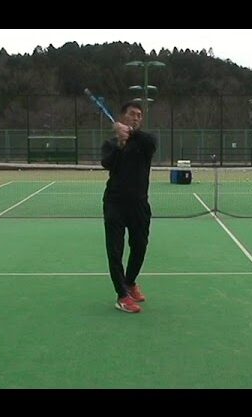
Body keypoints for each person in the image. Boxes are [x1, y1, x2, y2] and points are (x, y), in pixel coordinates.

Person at [101, 101, 157, 313]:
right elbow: (107, 163)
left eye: (139, 115)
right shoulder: (110, 144)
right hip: (114, 203)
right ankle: (122, 295)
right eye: (132, 114)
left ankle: (130, 282)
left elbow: (151, 142)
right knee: (115, 251)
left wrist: (130, 134)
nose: (136, 118)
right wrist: (119, 144)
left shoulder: (145, 142)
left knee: (140, 246)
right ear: (123, 116)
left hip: (139, 205)